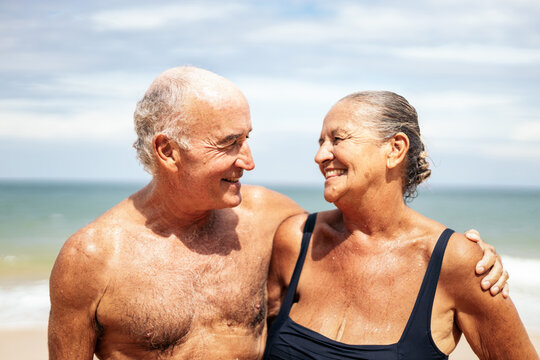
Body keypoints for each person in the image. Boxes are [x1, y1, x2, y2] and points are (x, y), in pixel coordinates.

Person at [48, 68, 506, 360]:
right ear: (168, 151)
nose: (248, 161)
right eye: (229, 143)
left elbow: (370, 232)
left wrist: (471, 257)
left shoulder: (269, 219)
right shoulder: (91, 258)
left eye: (247, 138)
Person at [265, 91, 537, 359]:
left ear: (395, 149)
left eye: (337, 139)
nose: (320, 156)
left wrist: (469, 257)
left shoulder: (455, 261)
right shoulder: (297, 239)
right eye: (321, 142)